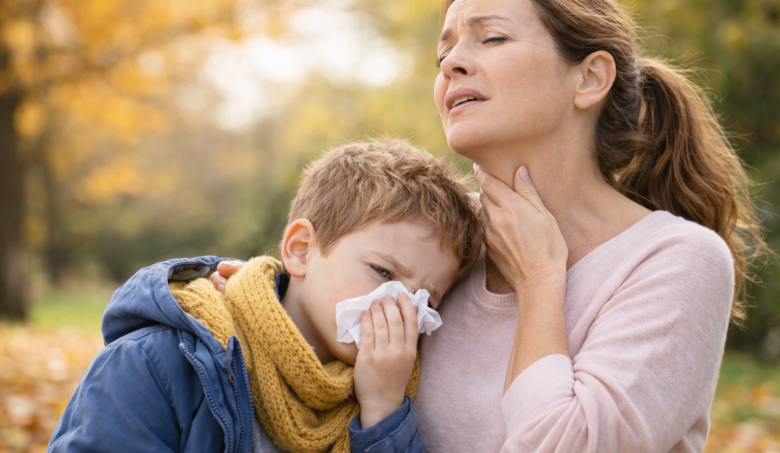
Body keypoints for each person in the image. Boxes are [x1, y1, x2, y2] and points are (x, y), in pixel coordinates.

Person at [213, 0, 769, 451]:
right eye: (445, 50)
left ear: (590, 78)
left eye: (491, 38)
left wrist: (540, 282)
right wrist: (252, 300)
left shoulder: (677, 260)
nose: (453, 62)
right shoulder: (436, 246)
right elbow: (306, 364)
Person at [47, 140, 483, 453]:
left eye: (427, 299)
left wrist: (384, 411)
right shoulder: (162, 363)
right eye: (383, 272)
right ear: (300, 250)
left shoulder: (388, 396)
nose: (400, 309)